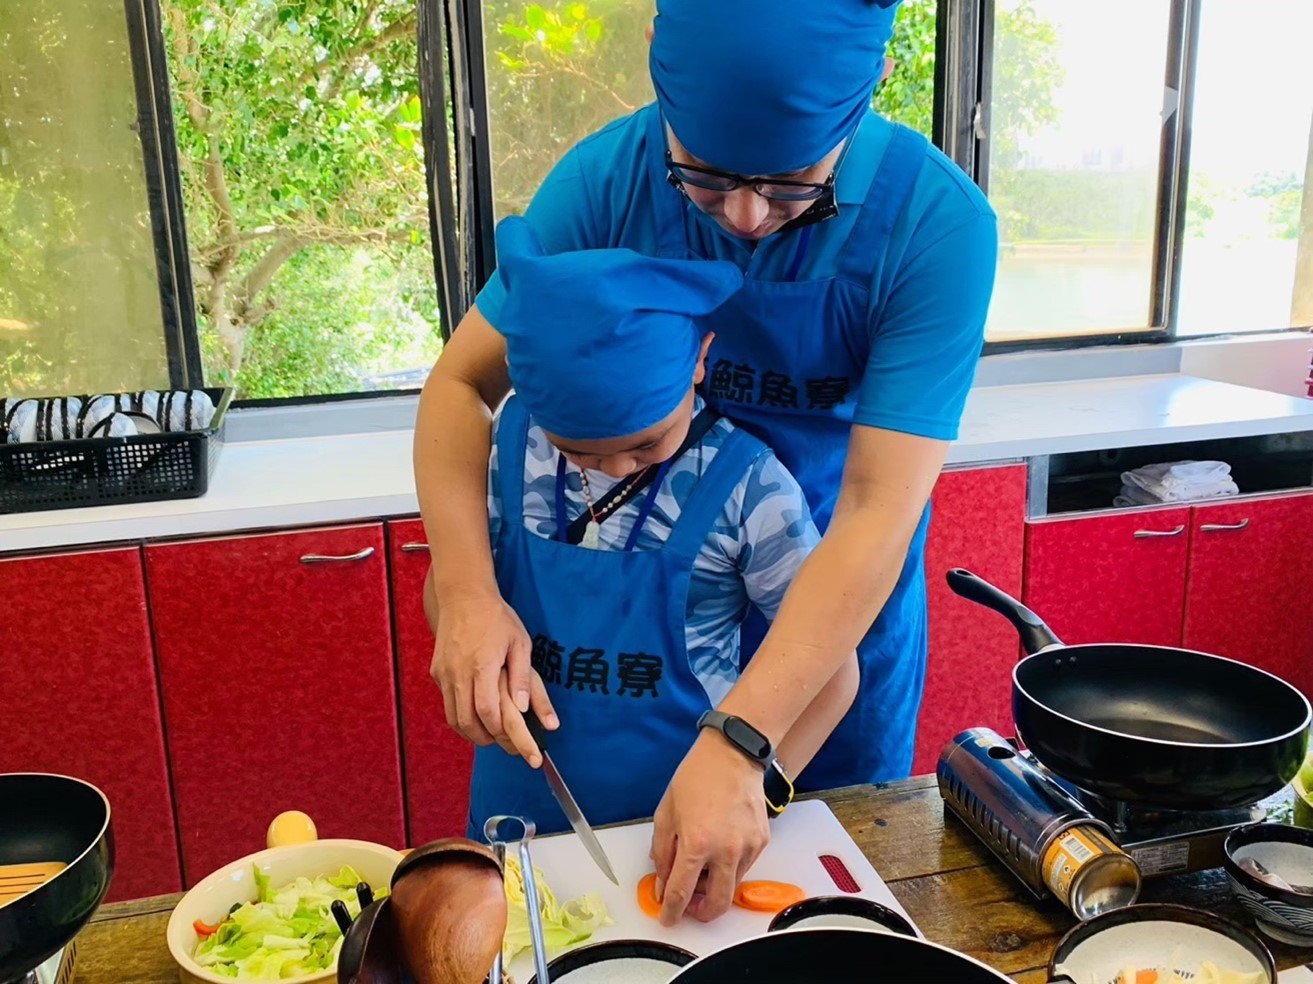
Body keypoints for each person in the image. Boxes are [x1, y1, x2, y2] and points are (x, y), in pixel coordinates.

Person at [413, 0, 998, 925]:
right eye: (705, 178)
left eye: (794, 187)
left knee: (805, 918)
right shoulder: (606, 180)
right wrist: (467, 594)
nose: (747, 218)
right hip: (643, 628)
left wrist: (744, 740)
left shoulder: (933, 225)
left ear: (872, 85)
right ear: (655, 56)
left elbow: (875, 512)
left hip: (827, 622)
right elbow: (460, 382)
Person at [426, 215, 859, 842]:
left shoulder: (750, 489)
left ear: (699, 360)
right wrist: (473, 658)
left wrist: (758, 789)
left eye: (646, 444)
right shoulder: (503, 452)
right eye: (578, 451)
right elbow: (449, 595)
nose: (614, 468)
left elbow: (833, 671)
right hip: (515, 817)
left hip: (683, 832)